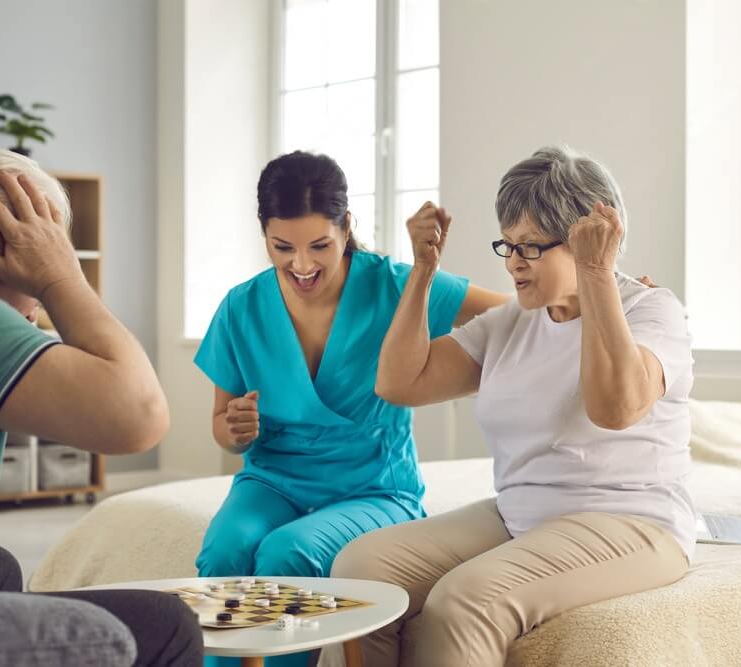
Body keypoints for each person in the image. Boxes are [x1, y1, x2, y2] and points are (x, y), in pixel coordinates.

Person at [330, 146, 696, 666]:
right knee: (360, 569)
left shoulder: (652, 310)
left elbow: (616, 407)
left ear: (588, 239)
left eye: (531, 248)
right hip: (521, 515)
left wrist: (597, 275)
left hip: (633, 521)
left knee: (464, 600)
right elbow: (400, 383)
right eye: (509, 245)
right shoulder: (513, 321)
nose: (515, 264)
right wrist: (423, 272)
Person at [192, 150, 509, 667]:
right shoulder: (241, 306)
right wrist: (234, 431)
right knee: (227, 548)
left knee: (286, 553)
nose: (302, 265)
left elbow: (517, 313)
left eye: (320, 245)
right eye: (282, 247)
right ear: (264, 235)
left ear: (347, 227)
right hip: (272, 481)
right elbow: (222, 431)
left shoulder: (394, 285)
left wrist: (612, 294)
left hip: (374, 489)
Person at [0, 148, 202, 665]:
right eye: (44, 247)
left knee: (0, 569)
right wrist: (61, 277)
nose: (35, 312)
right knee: (168, 624)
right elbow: (137, 417)